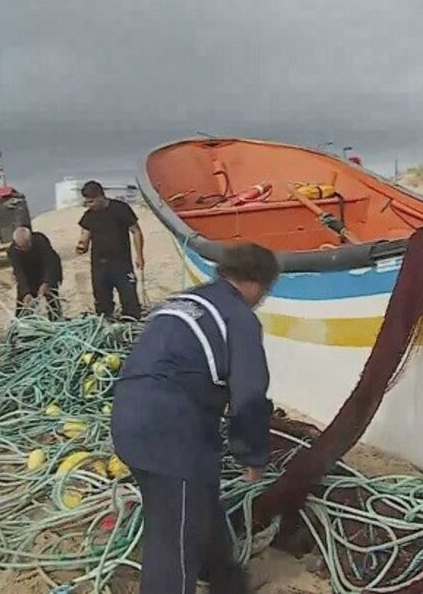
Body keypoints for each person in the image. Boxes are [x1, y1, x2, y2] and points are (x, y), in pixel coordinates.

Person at [111, 242, 279, 594]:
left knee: (196, 499)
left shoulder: (183, 302)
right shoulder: (238, 317)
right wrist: (251, 454)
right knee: (173, 539)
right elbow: (249, 393)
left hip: (129, 418)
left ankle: (225, 579)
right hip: (170, 433)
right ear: (257, 283)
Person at [76, 181, 145, 320]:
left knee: (129, 298)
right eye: (87, 202)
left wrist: (139, 255)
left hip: (121, 262)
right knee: (102, 301)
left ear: (100, 196)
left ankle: (131, 321)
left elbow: (136, 231)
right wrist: (82, 246)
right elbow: (85, 234)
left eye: (91, 201)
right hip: (99, 263)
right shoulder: (89, 215)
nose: (89, 205)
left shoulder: (120, 209)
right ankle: (106, 323)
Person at [7, 226, 63, 320]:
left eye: (26, 246)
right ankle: (25, 323)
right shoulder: (12, 251)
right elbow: (19, 273)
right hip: (29, 275)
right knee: (24, 306)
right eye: (21, 247)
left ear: (30, 240)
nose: (24, 249)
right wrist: (25, 292)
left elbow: (49, 263)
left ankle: (56, 320)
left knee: (52, 298)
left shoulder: (40, 241)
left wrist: (46, 282)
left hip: (46, 269)